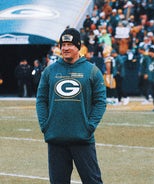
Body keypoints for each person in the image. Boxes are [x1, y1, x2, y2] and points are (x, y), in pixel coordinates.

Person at [36, 28, 106, 184]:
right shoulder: (49, 71)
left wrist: (90, 125)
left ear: (78, 47)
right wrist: (45, 126)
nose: (65, 48)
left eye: (69, 44)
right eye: (63, 44)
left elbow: (100, 102)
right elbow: (41, 100)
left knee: (92, 181)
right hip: (56, 138)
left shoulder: (92, 71)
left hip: (82, 137)